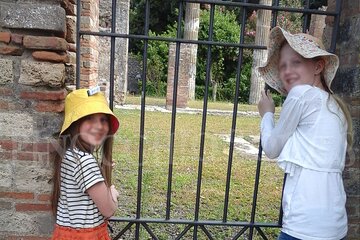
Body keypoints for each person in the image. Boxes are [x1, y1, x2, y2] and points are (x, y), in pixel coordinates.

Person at [257, 27, 353, 240]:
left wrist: (267, 114)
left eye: (296, 62)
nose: (287, 71)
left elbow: (272, 148)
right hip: (335, 226)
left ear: (318, 66)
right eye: (282, 66)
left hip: (304, 227)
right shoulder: (336, 107)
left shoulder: (302, 94)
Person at [51, 88, 120, 240]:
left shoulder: (68, 154)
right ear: (75, 124)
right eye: (89, 118)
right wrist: (112, 192)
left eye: (103, 119)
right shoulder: (85, 161)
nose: (99, 126)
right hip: (87, 235)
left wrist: (99, 171)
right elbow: (108, 210)